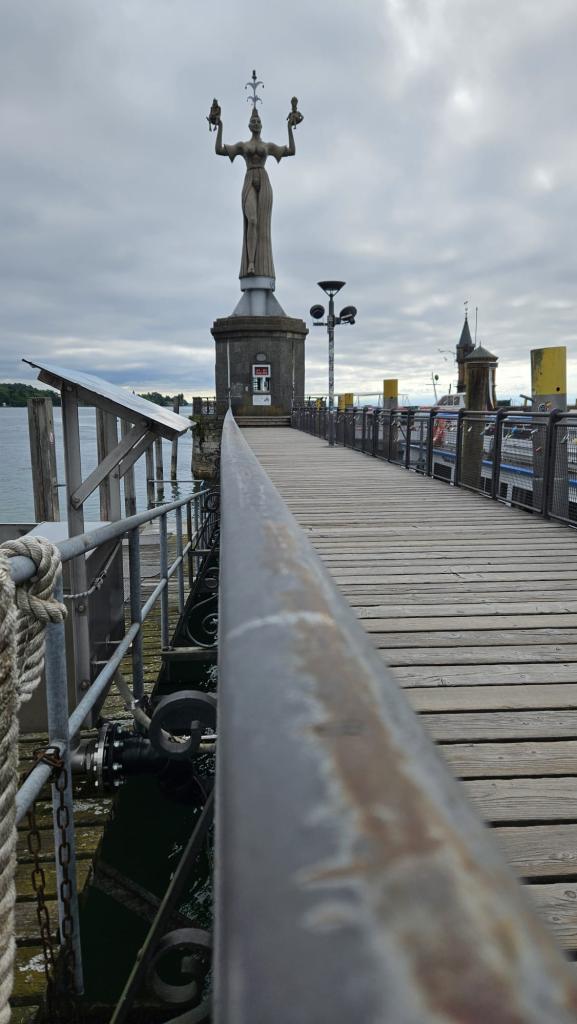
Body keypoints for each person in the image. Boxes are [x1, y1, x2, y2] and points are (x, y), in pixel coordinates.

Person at [214, 106, 299, 278]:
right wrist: (219, 126)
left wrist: (290, 127)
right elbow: (219, 150)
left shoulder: (267, 146)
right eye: (253, 121)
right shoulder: (243, 145)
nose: (256, 122)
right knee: (252, 220)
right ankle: (251, 263)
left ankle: (262, 264)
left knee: (263, 225)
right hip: (249, 178)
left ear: (261, 125)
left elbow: (291, 151)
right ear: (249, 125)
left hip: (264, 180)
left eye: (258, 120)